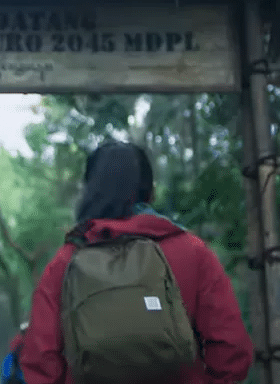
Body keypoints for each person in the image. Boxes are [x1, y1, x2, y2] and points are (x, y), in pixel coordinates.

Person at [20, 141, 254, 384]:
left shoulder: (66, 261)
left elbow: (41, 362)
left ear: (89, 191)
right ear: (150, 192)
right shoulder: (191, 252)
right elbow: (231, 350)